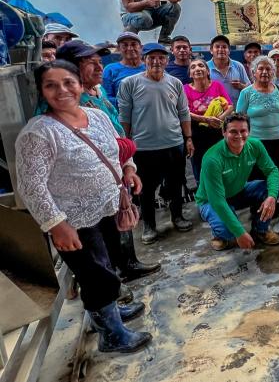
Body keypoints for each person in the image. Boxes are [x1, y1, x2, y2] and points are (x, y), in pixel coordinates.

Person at [16, 60, 151, 353]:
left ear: (79, 84)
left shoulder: (96, 116)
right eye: (51, 85)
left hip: (108, 208)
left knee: (107, 265)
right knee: (94, 275)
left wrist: (129, 169)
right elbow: (31, 186)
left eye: (68, 82)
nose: (62, 90)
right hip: (74, 220)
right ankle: (111, 335)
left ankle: (109, 313)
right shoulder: (39, 133)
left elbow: (117, 147)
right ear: (41, 91)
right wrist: (57, 224)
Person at [56, 42, 160, 282]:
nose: (99, 67)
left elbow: (115, 131)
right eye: (90, 62)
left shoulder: (98, 91)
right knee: (97, 237)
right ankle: (110, 284)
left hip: (115, 171)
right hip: (88, 183)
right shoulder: (64, 102)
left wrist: (128, 165)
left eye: (99, 62)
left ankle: (128, 265)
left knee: (120, 221)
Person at [118, 43, 193, 244]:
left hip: (174, 143)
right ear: (144, 60)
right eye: (152, 57)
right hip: (143, 147)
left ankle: (177, 216)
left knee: (175, 184)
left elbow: (183, 112)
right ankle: (149, 226)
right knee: (145, 189)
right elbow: (124, 116)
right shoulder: (129, 83)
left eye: (161, 58)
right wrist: (126, 146)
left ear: (167, 61)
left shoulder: (175, 83)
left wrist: (188, 138)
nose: (156, 62)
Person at [195, 113, 279, 250]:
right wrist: (239, 232)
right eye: (233, 131)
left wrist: (272, 197)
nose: (239, 136)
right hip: (211, 200)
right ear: (224, 132)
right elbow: (217, 200)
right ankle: (220, 234)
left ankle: (260, 230)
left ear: (249, 132)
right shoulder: (212, 159)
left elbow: (272, 170)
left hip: (238, 191)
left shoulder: (255, 145)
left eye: (243, 131)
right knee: (229, 233)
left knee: (270, 190)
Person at [237, 55, 279, 170]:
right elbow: (238, 119)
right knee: (259, 174)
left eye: (268, 69)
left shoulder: (278, 89)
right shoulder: (246, 93)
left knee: (278, 171)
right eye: (261, 69)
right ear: (254, 72)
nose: (264, 72)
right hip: (256, 143)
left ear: (273, 72)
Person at [184, 58, 232, 181]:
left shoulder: (217, 85)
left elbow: (230, 106)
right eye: (193, 67)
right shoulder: (185, 89)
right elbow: (184, 112)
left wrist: (219, 119)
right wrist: (205, 119)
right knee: (199, 166)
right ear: (190, 74)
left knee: (220, 164)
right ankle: (202, 190)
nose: (197, 68)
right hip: (196, 133)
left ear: (208, 71)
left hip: (217, 130)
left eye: (201, 65)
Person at [101, 32, 144, 107]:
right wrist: (128, 102)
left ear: (141, 47)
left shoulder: (150, 67)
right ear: (118, 48)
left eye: (133, 44)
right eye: (125, 45)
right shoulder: (110, 70)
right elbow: (105, 98)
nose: (130, 48)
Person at [207, 34, 250, 106]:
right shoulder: (205, 67)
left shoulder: (238, 66)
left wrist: (240, 86)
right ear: (211, 50)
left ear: (229, 50)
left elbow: (250, 89)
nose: (221, 49)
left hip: (237, 110)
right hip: (214, 111)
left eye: (224, 47)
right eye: (217, 47)